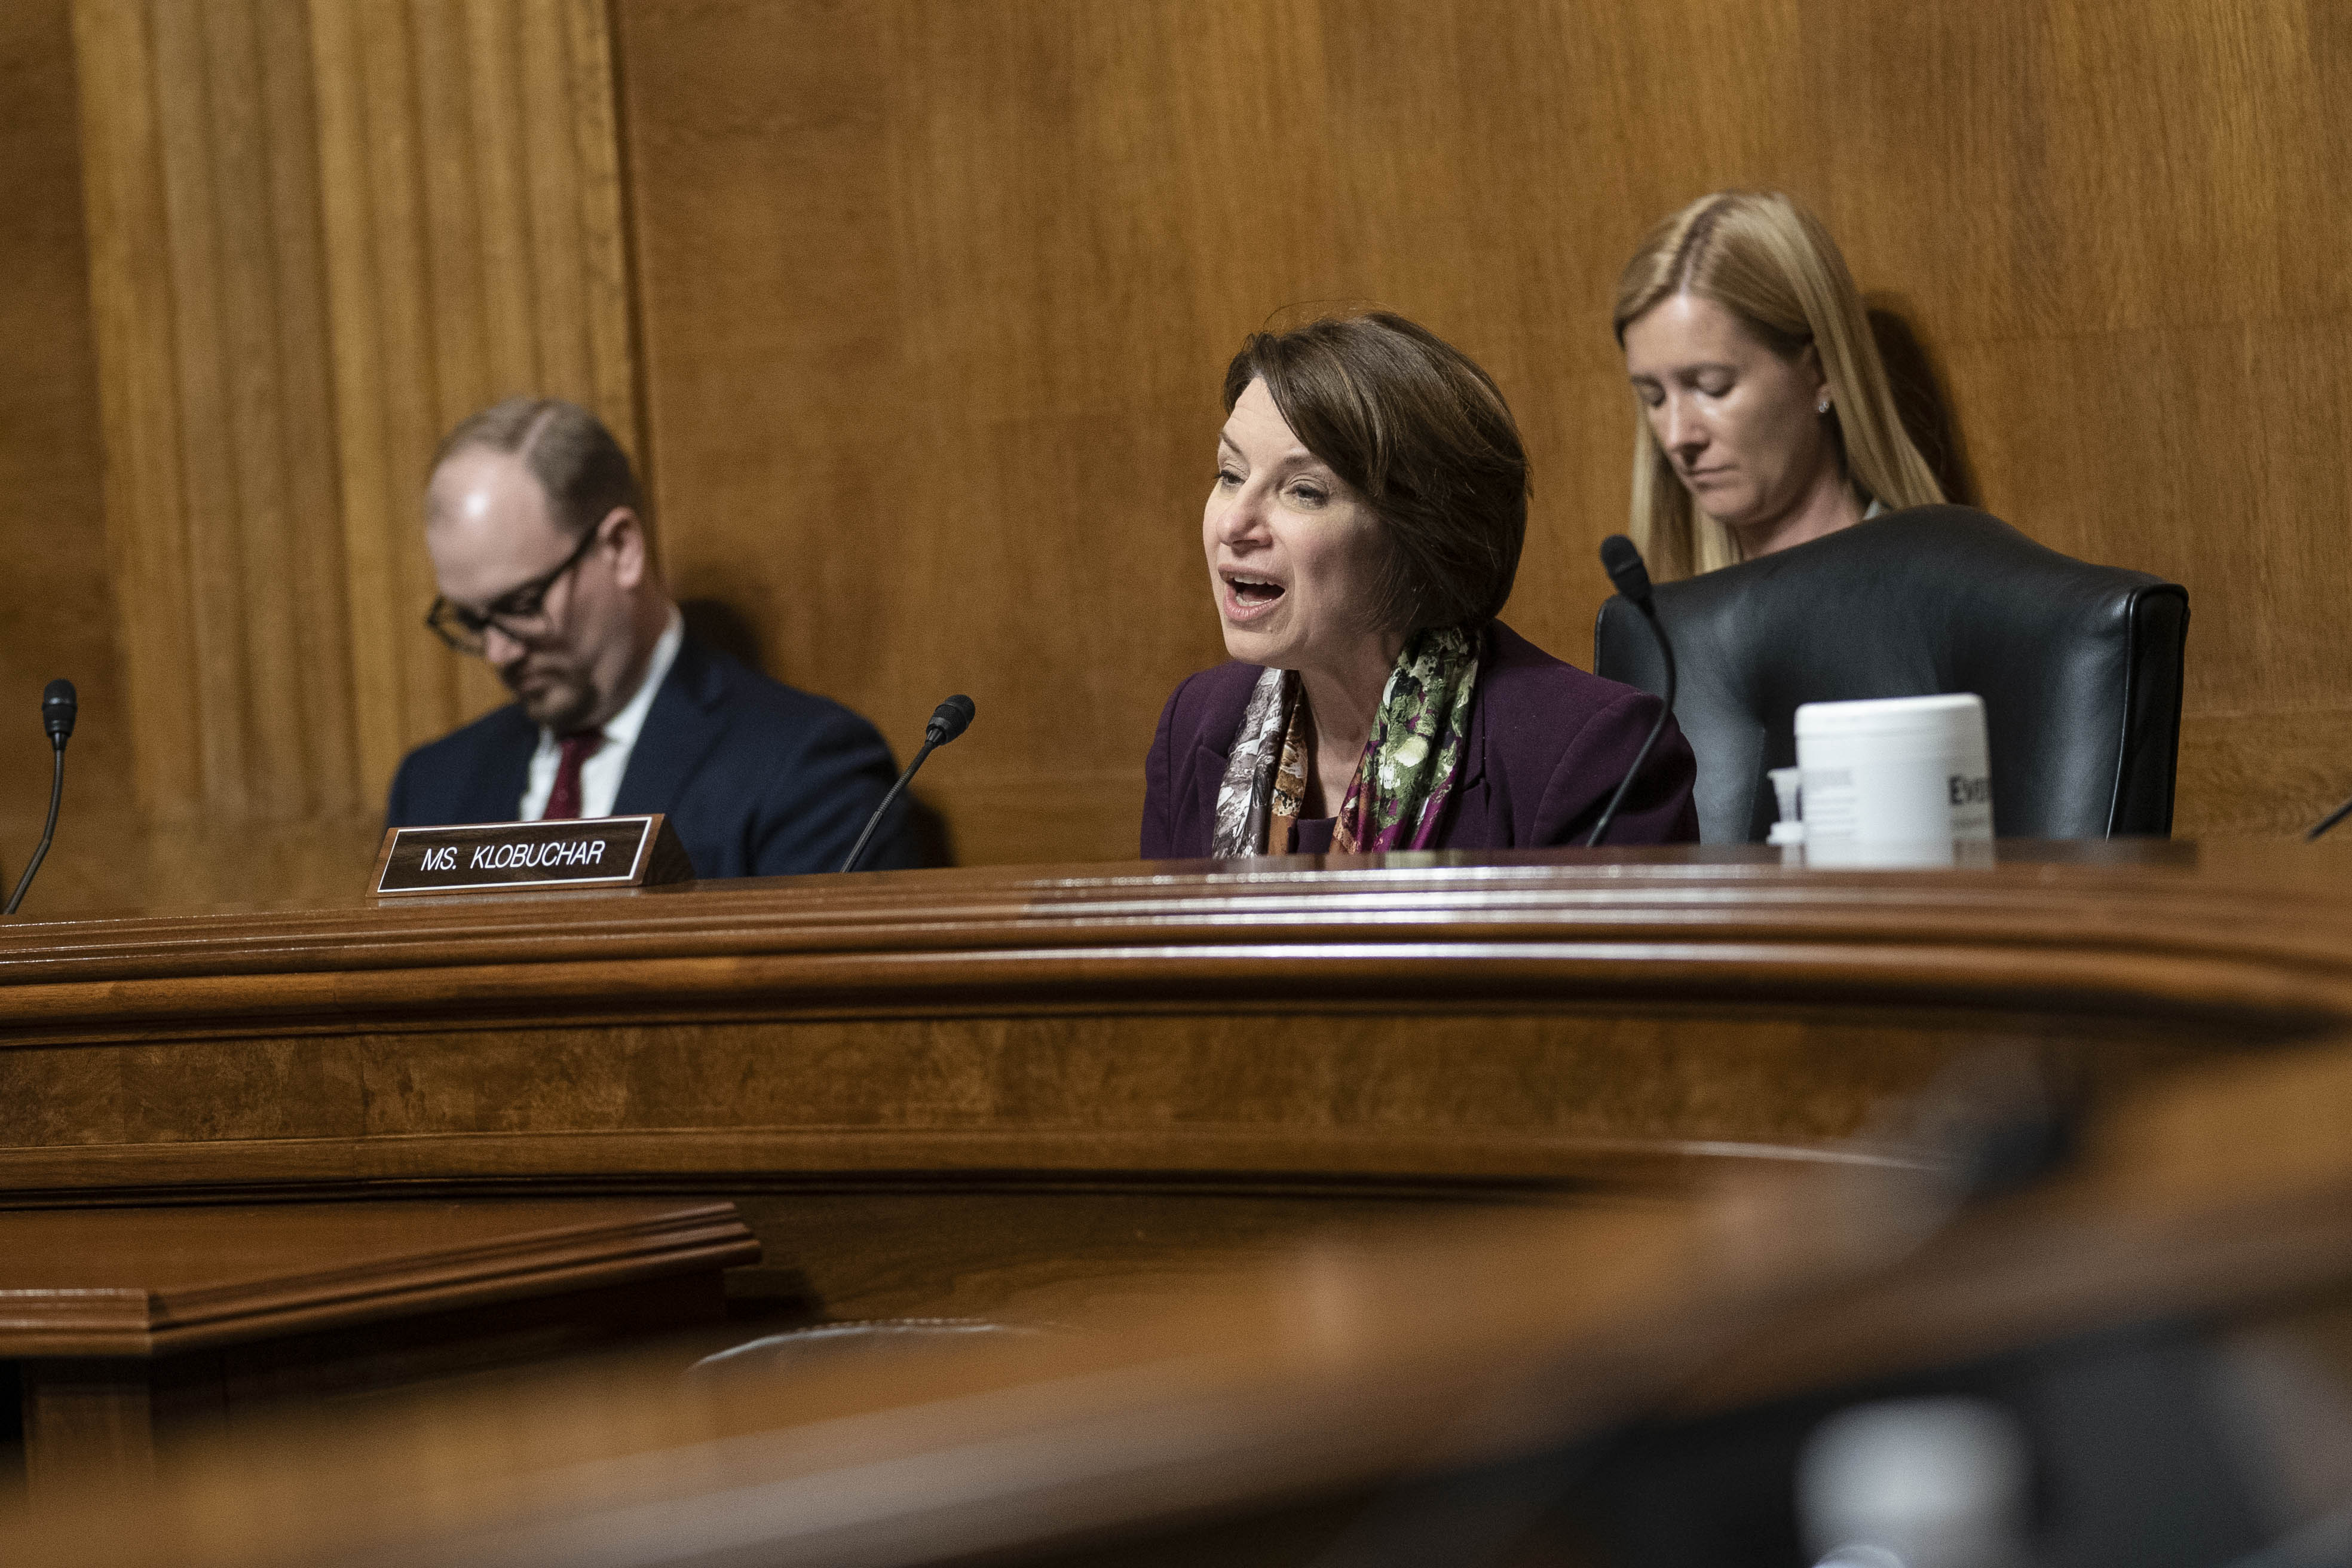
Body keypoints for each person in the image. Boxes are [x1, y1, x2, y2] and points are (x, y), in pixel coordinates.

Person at [1143, 313, 1698, 859]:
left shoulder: (1587, 754)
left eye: (1304, 491)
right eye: (1231, 475)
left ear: (1421, 537)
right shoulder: (1197, 724)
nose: (1232, 524)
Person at [385, 398, 923, 877]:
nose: (498, 653)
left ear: (621, 549)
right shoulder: (433, 786)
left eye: (522, 606)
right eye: (472, 622)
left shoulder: (804, 770)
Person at [1615, 189, 1945, 581]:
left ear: (1822, 372)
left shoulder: (1929, 586)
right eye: (1653, 397)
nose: (1676, 437)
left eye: (1712, 386)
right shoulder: (1664, 618)